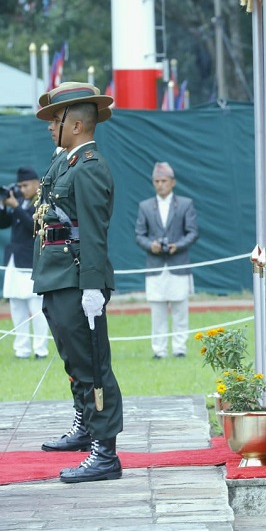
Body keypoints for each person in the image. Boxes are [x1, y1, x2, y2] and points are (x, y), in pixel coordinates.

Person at [32, 81, 123, 483]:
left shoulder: (89, 168)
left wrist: (91, 287)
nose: (50, 126)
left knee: (92, 367)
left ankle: (105, 452)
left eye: (56, 119)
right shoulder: (68, 163)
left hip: (76, 278)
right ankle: (86, 427)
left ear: (77, 124)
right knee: (75, 362)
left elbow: (94, 233)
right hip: (57, 276)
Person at [134, 162, 200, 359]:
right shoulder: (145, 206)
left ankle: (180, 348)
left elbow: (193, 232)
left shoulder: (185, 204)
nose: (160, 184)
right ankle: (159, 350)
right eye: (156, 181)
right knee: (157, 311)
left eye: (163, 181)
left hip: (178, 264)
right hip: (155, 266)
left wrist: (177, 246)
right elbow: (139, 235)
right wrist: (151, 245)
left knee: (180, 309)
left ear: (173, 182)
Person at [1, 166, 51, 359]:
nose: (22, 189)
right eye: (20, 186)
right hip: (14, 261)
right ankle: (21, 349)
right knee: (16, 306)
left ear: (36, 183)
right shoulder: (19, 201)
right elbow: (3, 223)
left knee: (36, 308)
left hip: (31, 262)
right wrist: (3, 205)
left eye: (25, 185)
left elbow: (35, 226)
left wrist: (16, 207)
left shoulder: (43, 202)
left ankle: (40, 349)